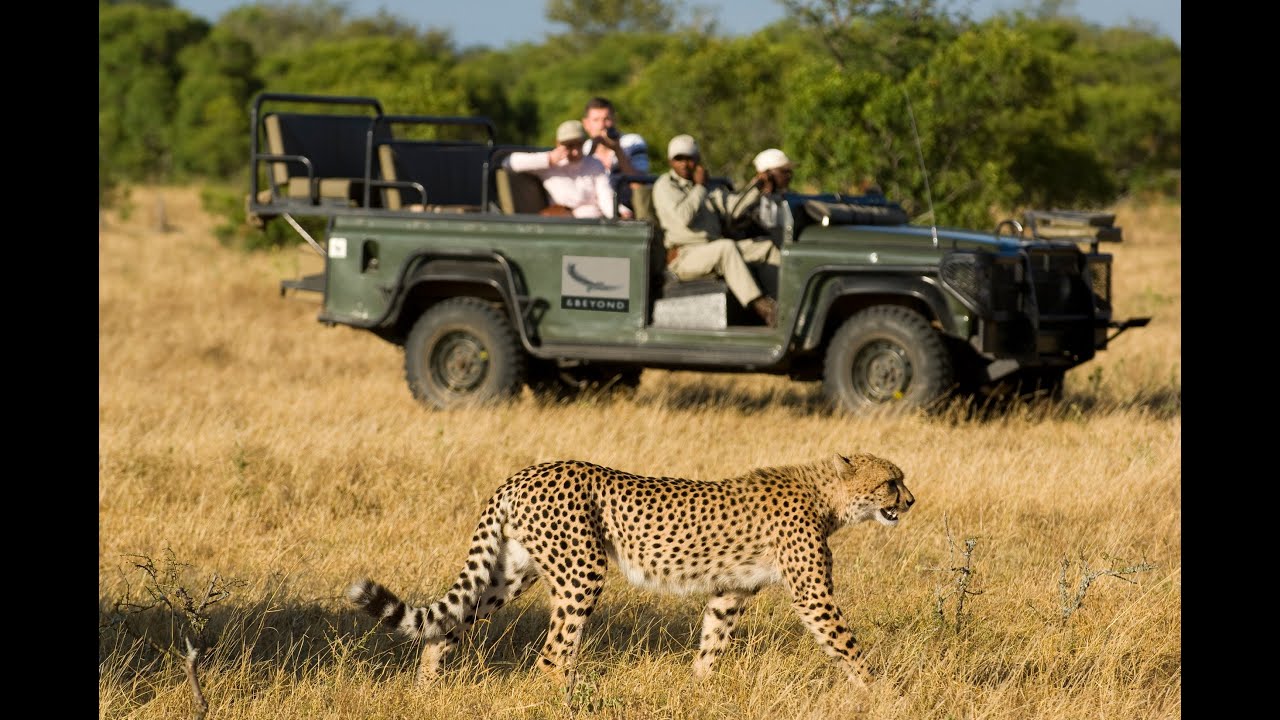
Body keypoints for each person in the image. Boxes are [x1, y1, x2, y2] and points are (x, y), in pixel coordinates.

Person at [652, 134, 781, 327]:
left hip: (714, 249)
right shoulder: (665, 186)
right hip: (685, 256)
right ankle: (762, 307)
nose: (685, 164)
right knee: (726, 247)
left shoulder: (709, 188)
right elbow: (683, 217)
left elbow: (735, 207)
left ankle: (783, 302)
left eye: (690, 158)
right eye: (679, 159)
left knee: (765, 248)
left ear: (697, 161)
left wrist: (757, 187)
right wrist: (700, 187)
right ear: (670, 161)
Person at [502, 120, 616, 218]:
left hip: (594, 222)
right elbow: (508, 162)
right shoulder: (549, 165)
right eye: (570, 146)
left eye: (579, 145)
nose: (575, 151)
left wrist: (617, 218)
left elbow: (606, 198)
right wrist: (549, 159)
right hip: (564, 224)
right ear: (558, 144)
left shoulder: (594, 164)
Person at [580, 96, 649, 218]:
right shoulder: (583, 149)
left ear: (615, 120)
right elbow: (581, 183)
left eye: (606, 119)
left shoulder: (633, 142)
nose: (602, 125)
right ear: (586, 124)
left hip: (631, 208)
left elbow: (639, 185)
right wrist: (593, 149)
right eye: (596, 120)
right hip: (594, 211)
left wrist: (617, 150)